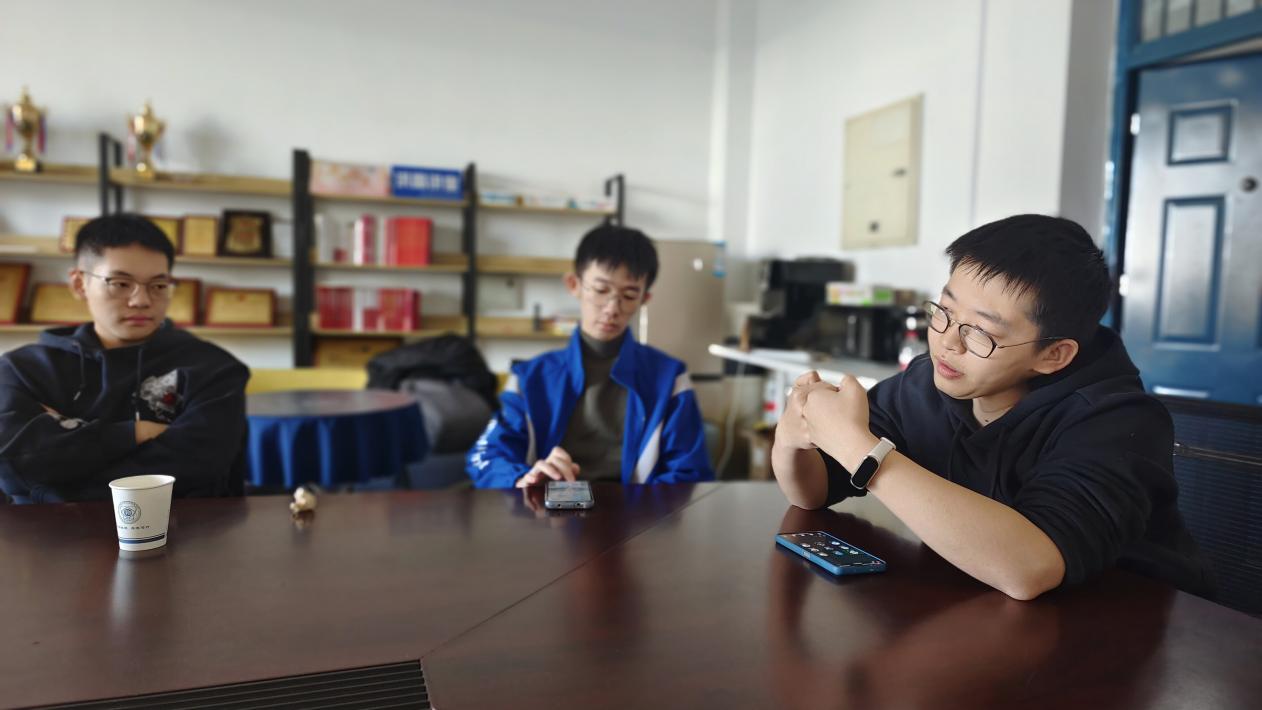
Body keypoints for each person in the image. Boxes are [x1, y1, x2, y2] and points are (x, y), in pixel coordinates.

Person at [772, 214, 1207, 600]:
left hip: (1130, 630)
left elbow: (1030, 567)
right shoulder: (927, 383)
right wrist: (795, 436)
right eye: (944, 310)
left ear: (1053, 354)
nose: (947, 341)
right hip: (982, 611)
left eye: (981, 333)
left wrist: (859, 450)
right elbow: (814, 491)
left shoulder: (1117, 419)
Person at [0, 213, 250, 503]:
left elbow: (195, 470)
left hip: (179, 527)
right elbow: (10, 463)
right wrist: (134, 433)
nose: (141, 300)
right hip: (44, 532)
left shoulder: (214, 368)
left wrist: (58, 462)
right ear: (80, 284)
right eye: (120, 283)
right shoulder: (22, 370)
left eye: (158, 285)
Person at [467, 224, 713, 488]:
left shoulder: (669, 378)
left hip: (636, 508)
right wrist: (523, 478)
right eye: (601, 290)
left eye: (629, 295)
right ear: (574, 285)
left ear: (645, 299)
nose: (612, 308)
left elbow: (690, 472)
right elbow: (486, 457)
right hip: (553, 506)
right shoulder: (530, 378)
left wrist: (636, 506)